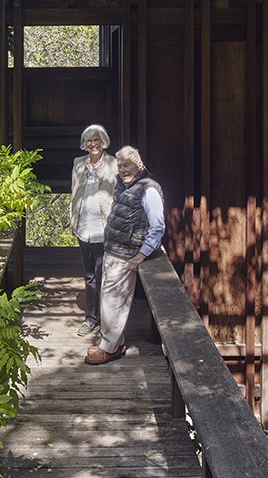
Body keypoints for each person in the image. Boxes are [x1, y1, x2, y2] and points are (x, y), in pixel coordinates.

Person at [85, 145, 164, 365]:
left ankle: (108, 348)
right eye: (119, 165)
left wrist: (142, 254)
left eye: (127, 164)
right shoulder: (124, 184)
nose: (122, 169)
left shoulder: (148, 188)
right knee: (109, 298)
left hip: (127, 254)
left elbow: (158, 226)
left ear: (139, 165)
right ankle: (115, 342)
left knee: (113, 301)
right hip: (114, 249)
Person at [69, 124, 117, 337]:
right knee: (89, 275)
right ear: (84, 144)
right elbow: (73, 193)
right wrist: (73, 221)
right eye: (89, 140)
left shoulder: (113, 164)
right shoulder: (79, 164)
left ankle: (108, 320)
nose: (93, 144)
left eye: (96, 140)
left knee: (104, 274)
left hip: (104, 228)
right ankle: (92, 318)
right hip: (84, 227)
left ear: (103, 141)